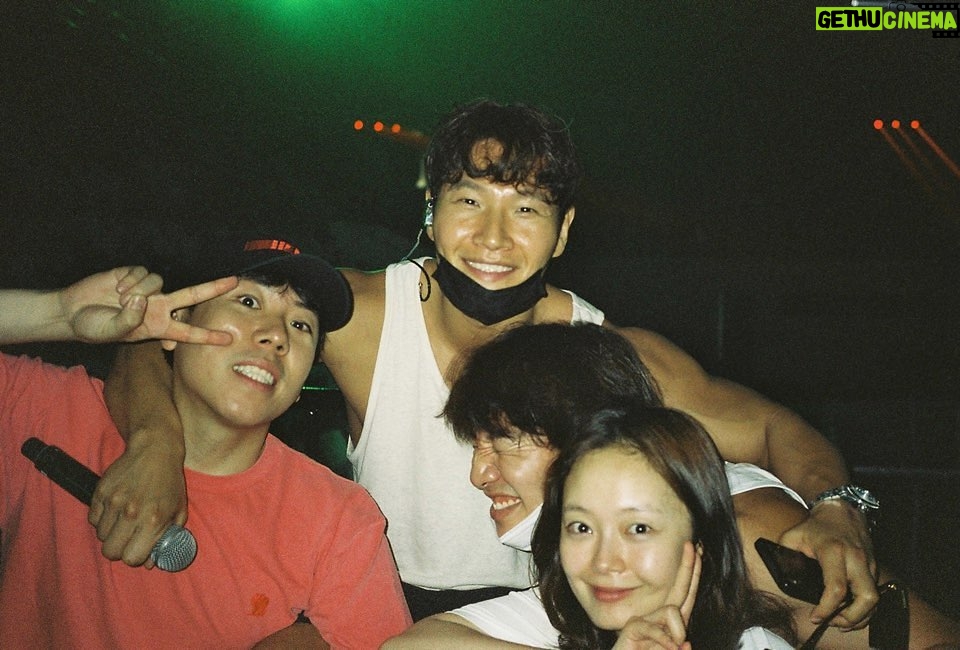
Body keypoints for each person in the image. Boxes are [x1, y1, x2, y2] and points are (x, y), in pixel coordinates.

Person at [101, 100, 876, 627]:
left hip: (542, 616)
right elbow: (161, 333)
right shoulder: (361, 314)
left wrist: (839, 511)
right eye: (471, 200)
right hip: (370, 602)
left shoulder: (609, 352)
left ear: (563, 232)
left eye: (527, 209)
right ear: (432, 209)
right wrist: (154, 443)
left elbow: (772, 429)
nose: (495, 238)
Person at [385, 323, 960, 648]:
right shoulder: (588, 563)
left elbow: (930, 640)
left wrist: (837, 507)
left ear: (586, 431)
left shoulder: (741, 531)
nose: (478, 474)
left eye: (505, 442)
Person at [0, 238, 411, 647]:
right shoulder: (49, 410)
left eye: (301, 325)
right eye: (248, 302)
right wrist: (58, 314)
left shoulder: (337, 519)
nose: (276, 336)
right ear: (176, 323)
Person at [533, 406, 796, 649]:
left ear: (701, 539)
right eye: (581, 528)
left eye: (639, 529)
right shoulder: (538, 620)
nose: (603, 562)